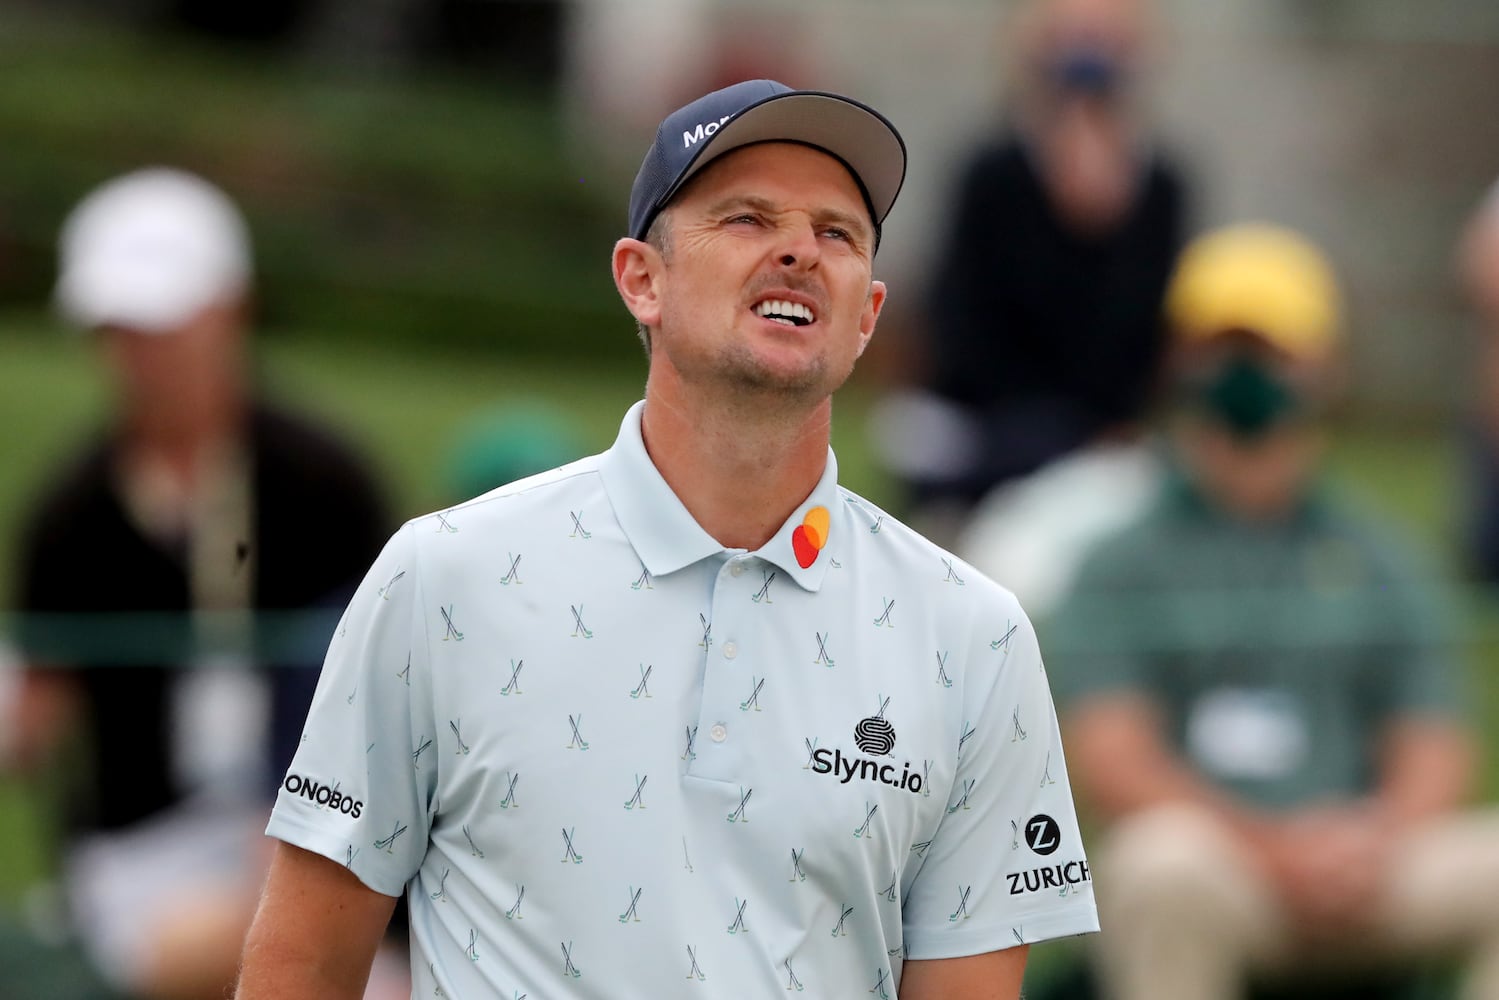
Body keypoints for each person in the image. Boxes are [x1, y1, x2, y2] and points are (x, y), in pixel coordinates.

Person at [235, 79, 1100, 999]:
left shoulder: (974, 638)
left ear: (868, 318)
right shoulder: (443, 577)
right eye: (746, 218)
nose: (800, 251)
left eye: (836, 232)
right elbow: (301, 966)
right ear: (641, 279)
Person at [1047, 223, 1499, 1000]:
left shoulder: (1380, 552)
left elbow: (1434, 742)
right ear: (1178, 362)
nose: (1245, 375)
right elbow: (1111, 758)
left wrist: (1372, 838)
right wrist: (1271, 848)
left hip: (1366, 871)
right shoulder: (1119, 557)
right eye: (1222, 349)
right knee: (1160, 863)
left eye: (1269, 351)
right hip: (1220, 874)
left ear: (1322, 368)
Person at [7, 168, 395, 1000]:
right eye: (119, 331)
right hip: (139, 857)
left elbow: (389, 688)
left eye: (162, 326)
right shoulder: (72, 514)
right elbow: (33, 711)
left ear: (229, 311)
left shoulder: (323, 483)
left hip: (309, 831)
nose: (141, 357)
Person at [876, 0, 1185, 545]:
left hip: (1103, 439)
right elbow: (960, 329)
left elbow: (1144, 340)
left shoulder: (1161, 189)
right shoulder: (990, 174)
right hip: (991, 429)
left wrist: (1102, 237)